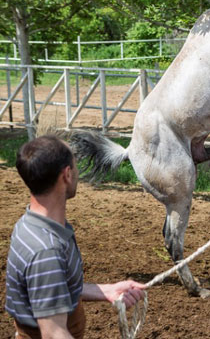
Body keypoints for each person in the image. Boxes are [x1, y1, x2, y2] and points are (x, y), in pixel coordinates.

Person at [5, 135, 146, 339]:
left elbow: (51, 288)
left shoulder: (30, 225)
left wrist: (107, 290)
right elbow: (54, 332)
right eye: (75, 164)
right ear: (67, 174)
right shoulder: (47, 251)